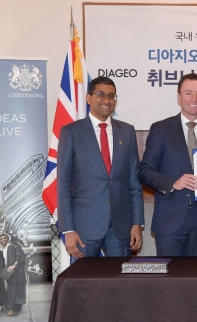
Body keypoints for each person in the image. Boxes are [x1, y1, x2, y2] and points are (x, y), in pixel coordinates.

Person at [139, 73, 197, 256]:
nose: (194, 99)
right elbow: (144, 171)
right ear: (179, 97)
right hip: (169, 221)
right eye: (188, 93)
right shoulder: (160, 129)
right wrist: (173, 183)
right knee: (170, 282)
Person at [57, 76, 144, 259]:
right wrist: (68, 229)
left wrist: (137, 223)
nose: (106, 100)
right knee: (83, 283)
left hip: (120, 227)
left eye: (111, 96)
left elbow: (134, 181)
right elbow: (63, 184)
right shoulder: (71, 132)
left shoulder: (126, 132)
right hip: (84, 226)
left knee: (119, 283)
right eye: (100, 95)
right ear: (89, 98)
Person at [0, 233, 27, 317]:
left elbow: (19, 257)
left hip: (16, 272)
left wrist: (14, 266)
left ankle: (12, 310)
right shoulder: (3, 249)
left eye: (5, 238)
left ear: (8, 239)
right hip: (9, 273)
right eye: (1, 239)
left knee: (13, 291)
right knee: (12, 291)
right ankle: (15, 309)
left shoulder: (13, 246)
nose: (3, 240)